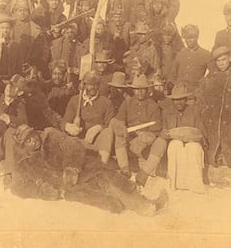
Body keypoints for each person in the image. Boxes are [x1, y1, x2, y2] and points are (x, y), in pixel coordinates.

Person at [10, 125, 168, 216]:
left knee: (109, 179)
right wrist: (43, 191)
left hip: (83, 171)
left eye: (32, 135)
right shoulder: (25, 162)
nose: (33, 140)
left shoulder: (50, 135)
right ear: (23, 146)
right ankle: (126, 205)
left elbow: (73, 145)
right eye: (28, 140)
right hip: (69, 188)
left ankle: (144, 206)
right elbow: (17, 186)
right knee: (100, 196)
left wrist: (71, 167)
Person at [110, 74, 165, 185]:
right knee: (119, 134)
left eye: (142, 90)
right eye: (137, 90)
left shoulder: (153, 106)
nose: (139, 92)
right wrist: (121, 127)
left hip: (147, 138)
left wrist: (145, 138)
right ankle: (125, 169)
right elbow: (118, 119)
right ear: (133, 90)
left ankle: (143, 175)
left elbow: (156, 129)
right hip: (130, 136)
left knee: (161, 143)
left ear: (147, 90)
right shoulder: (127, 103)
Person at [62, 72, 116, 164]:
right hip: (77, 141)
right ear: (83, 85)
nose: (93, 87)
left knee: (108, 132)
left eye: (96, 84)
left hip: (97, 144)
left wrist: (98, 128)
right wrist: (68, 127)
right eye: (90, 85)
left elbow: (110, 125)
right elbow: (64, 122)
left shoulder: (106, 103)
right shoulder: (74, 100)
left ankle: (101, 165)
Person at [162, 83, 206, 193]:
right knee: (174, 145)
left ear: (186, 99)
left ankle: (195, 185)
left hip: (192, 141)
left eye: (181, 99)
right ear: (172, 100)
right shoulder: (168, 112)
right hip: (176, 142)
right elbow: (164, 131)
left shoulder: (194, 111)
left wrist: (196, 137)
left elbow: (201, 131)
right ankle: (174, 184)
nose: (179, 103)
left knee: (193, 148)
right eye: (176, 100)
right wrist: (166, 134)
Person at [0, 74, 30, 187]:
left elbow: (23, 123)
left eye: (13, 86)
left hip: (9, 147)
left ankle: (8, 174)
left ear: (20, 93)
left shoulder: (20, 105)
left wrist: (3, 116)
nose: (8, 86)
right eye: (8, 84)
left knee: (11, 132)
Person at [168, 24, 212, 92]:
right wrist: (174, 86)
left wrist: (203, 85)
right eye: (186, 38)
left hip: (195, 93)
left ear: (197, 37)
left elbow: (213, 73)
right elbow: (172, 74)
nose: (188, 40)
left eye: (191, 37)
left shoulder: (206, 54)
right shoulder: (180, 54)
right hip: (179, 92)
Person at [0, 14, 22, 88]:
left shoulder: (15, 45)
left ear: (11, 29)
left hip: (12, 81)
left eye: (7, 28)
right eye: (2, 28)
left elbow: (19, 66)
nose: (5, 30)